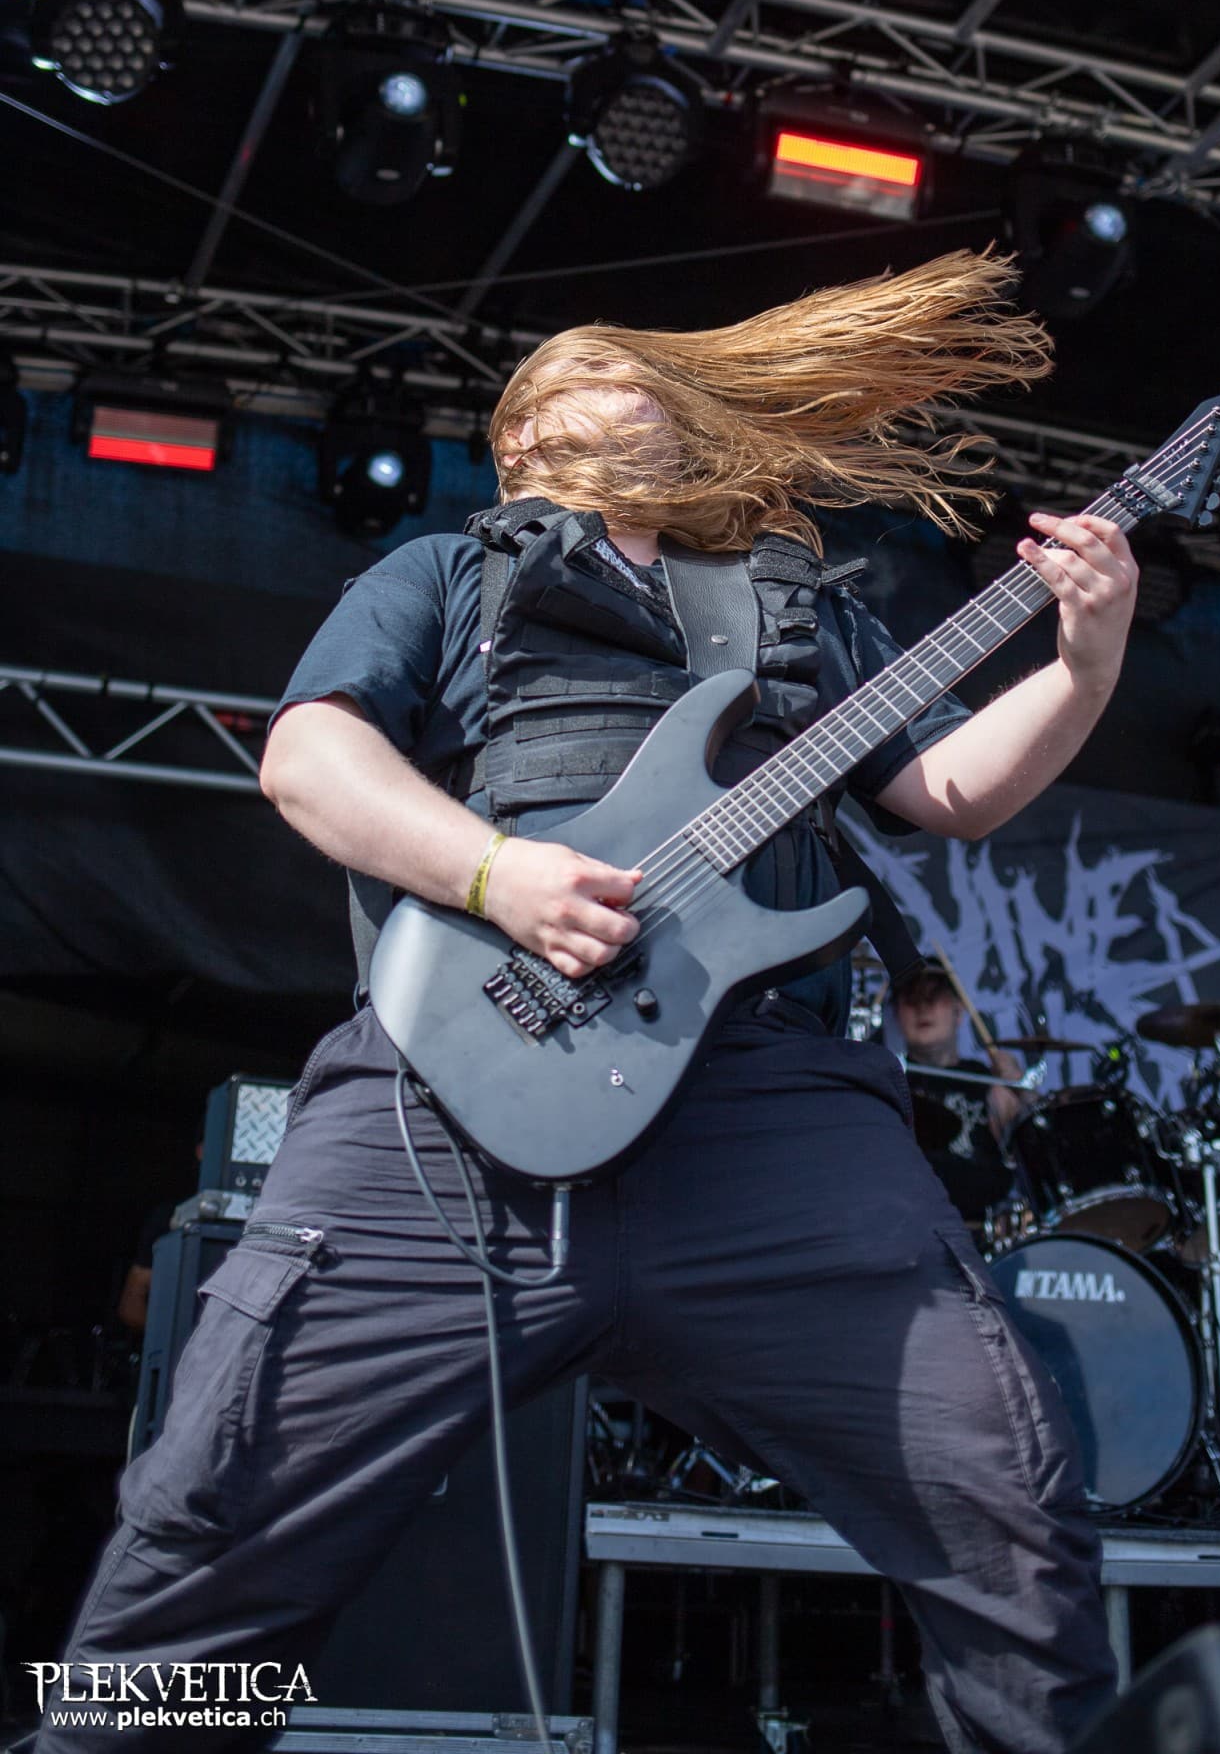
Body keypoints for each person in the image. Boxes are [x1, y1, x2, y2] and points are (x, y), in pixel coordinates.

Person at [37, 251, 1134, 1754]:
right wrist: (495, 875)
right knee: (209, 1527)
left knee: (1006, 1504)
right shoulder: (444, 574)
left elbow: (949, 789)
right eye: (566, 386)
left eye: (624, 377)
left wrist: (1086, 654)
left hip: (764, 1121)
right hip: (445, 1110)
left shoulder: (792, 604)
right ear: (516, 442)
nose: (601, 399)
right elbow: (308, 758)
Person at [889, 959, 1027, 1228]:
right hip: (914, 1226)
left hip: (990, 1226)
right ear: (896, 1013)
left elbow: (1036, 1154)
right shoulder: (889, 1082)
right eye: (911, 998)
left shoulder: (987, 1080)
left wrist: (1023, 1096)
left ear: (959, 1010)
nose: (923, 1007)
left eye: (934, 996)